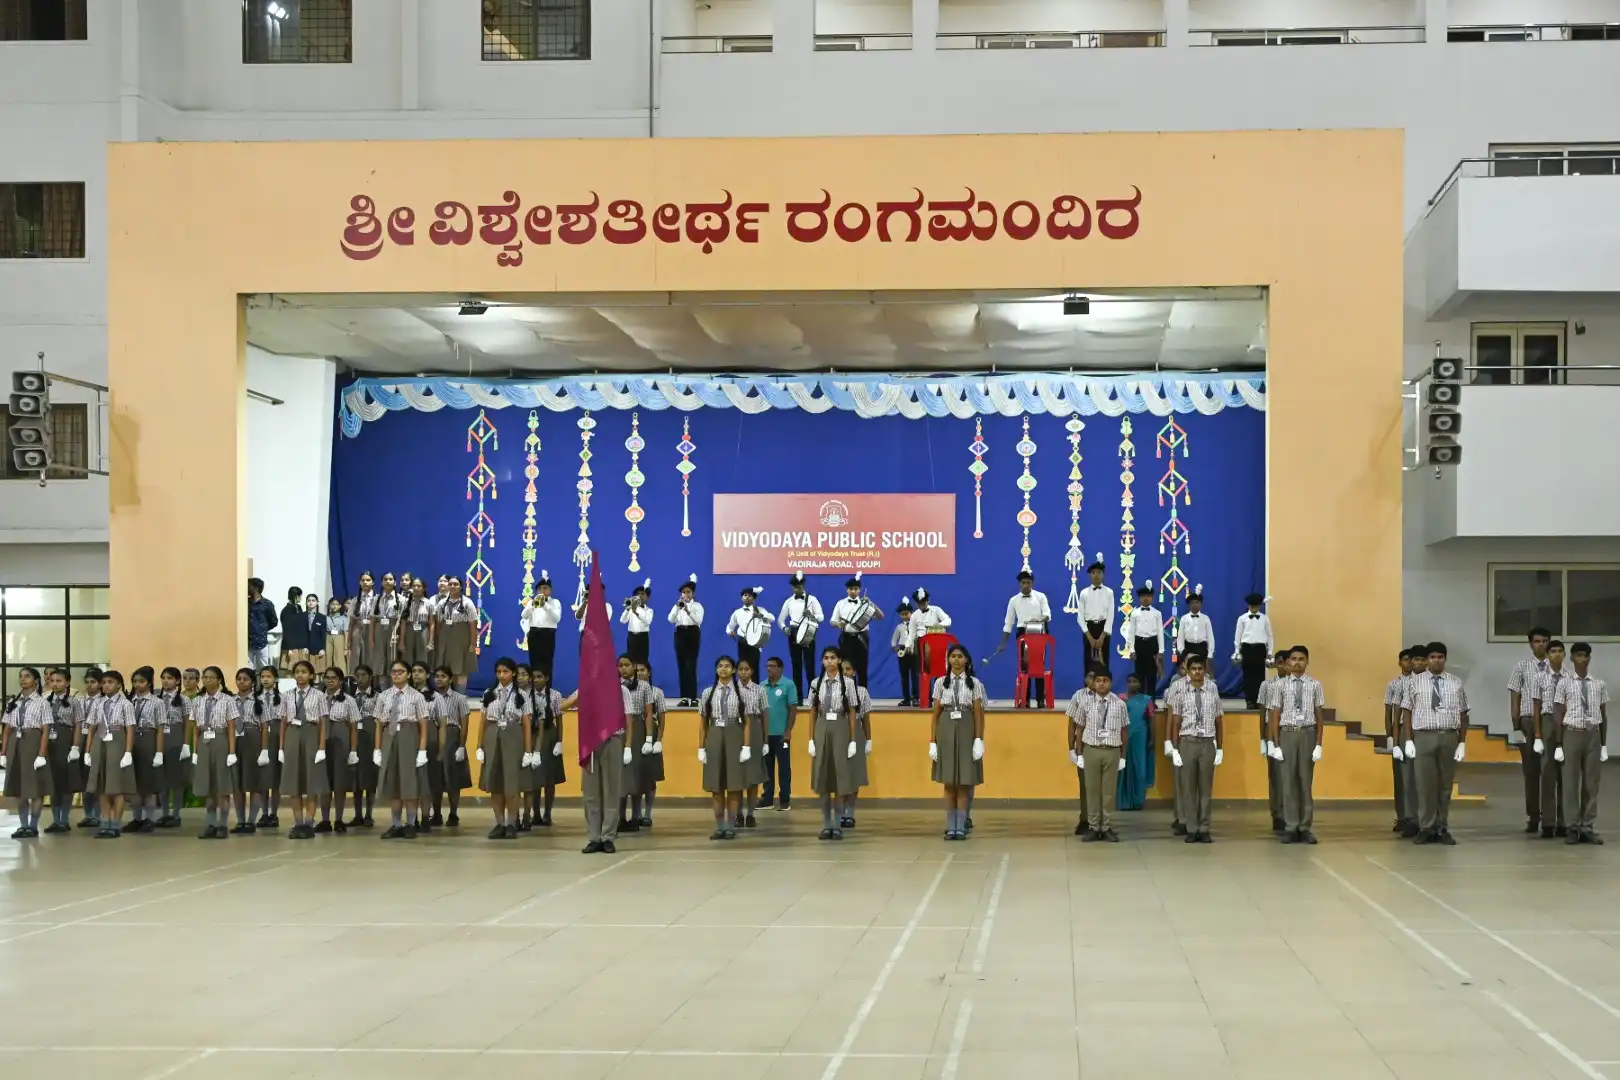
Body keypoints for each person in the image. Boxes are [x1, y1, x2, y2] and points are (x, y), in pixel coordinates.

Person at [1399, 641, 1468, 846]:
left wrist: (1462, 742)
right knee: (1425, 785)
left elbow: (1464, 714)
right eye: (1432, 657)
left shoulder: (1456, 683)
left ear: (1445, 659)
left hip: (1448, 736)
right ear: (1427, 660)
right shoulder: (1414, 682)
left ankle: (1441, 827)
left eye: (1440, 657)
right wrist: (1409, 740)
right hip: (1424, 736)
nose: (1436, 661)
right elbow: (1407, 712)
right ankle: (1426, 827)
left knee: (1444, 786)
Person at [1268, 646, 1325, 844]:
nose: (1297, 662)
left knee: (1305, 782)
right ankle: (1291, 826)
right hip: (1288, 734)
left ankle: (1305, 827)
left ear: (1307, 662)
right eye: (1293, 659)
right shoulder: (1280, 685)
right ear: (1288, 662)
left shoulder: (1315, 685)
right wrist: (1275, 744)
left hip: (1307, 733)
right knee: (1288, 782)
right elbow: (1275, 715)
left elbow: (1319, 716)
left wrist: (1319, 743)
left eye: (1301, 659)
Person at [1552, 642, 1608, 845]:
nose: (1582, 659)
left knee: (1591, 783)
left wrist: (1603, 744)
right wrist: (1559, 743)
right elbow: (1558, 714)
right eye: (1578, 656)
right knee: (1570, 782)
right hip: (1571, 733)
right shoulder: (1564, 683)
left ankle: (1587, 826)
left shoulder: (1598, 684)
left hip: (1592, 734)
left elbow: (1603, 714)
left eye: (1585, 656)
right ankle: (1572, 826)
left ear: (1589, 658)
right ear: (1572, 659)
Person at [930, 643, 986, 841]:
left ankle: (961, 825)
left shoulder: (975, 684)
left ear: (966, 660)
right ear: (948, 659)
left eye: (960, 656)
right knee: (949, 782)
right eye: (953, 656)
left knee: (963, 782)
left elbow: (978, 714)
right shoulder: (940, 683)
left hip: (966, 728)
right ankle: (950, 825)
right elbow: (935, 714)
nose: (956, 660)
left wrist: (978, 739)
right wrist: (932, 741)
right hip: (946, 728)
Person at [581, 656, 636, 856]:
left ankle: (607, 836)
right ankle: (593, 837)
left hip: (613, 741)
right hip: (591, 743)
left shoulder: (621, 691)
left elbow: (628, 719)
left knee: (611, 790)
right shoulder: (588, 689)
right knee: (591, 792)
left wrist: (627, 746)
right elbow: (571, 704)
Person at [1167, 654, 1223, 843]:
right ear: (1188, 672)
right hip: (1187, 742)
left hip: (1207, 743)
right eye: (1194, 669)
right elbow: (1175, 722)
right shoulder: (1181, 695)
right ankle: (1191, 828)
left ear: (1205, 671)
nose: (1197, 672)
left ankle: (1204, 828)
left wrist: (1220, 748)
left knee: (1205, 789)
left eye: (1200, 669)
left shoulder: (1212, 692)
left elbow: (1219, 722)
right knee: (1188, 788)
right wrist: (1175, 748)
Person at [374, 659, 431, 839]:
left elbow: (423, 724)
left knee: (410, 783)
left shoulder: (416, 696)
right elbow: (379, 724)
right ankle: (396, 824)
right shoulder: (384, 696)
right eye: (394, 672)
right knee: (394, 784)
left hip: (409, 736)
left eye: (401, 672)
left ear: (408, 674)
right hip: (390, 736)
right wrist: (377, 749)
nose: (397, 675)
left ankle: (411, 824)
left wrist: (422, 750)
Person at [807, 647, 859, 841]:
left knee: (839, 776)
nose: (829, 661)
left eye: (832, 658)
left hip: (840, 725)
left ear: (838, 660)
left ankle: (837, 824)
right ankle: (826, 824)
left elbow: (852, 712)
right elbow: (813, 711)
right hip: (822, 725)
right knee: (823, 776)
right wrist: (811, 739)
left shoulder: (848, 683)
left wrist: (852, 740)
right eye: (826, 658)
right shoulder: (816, 683)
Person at [698, 656, 751, 841]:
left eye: (727, 666)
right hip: (714, 735)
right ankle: (719, 826)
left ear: (733, 670)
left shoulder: (742, 692)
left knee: (734, 784)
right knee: (716, 784)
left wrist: (746, 746)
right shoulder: (708, 693)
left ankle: (730, 826)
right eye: (720, 666)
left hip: (734, 733)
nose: (723, 669)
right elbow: (703, 723)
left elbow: (747, 722)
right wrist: (701, 747)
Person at [1074, 666, 1128, 843]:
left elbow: (1124, 731)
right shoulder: (1085, 702)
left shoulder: (1119, 704)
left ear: (1111, 683)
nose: (1101, 684)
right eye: (1098, 681)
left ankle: (1106, 827)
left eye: (1105, 681)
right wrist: (1079, 754)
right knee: (1092, 790)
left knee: (1108, 792)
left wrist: (1123, 756)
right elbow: (1079, 728)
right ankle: (1093, 826)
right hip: (1092, 749)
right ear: (1093, 683)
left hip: (1112, 750)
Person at [1507, 627, 1553, 834]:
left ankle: (1551, 818)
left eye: (1544, 641)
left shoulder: (1557, 667)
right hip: (1528, 721)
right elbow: (1515, 697)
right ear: (1531, 644)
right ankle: (1534, 817)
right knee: (1531, 771)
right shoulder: (1522, 667)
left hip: (1550, 721)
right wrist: (1516, 726)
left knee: (1550, 771)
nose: (1541, 645)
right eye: (1537, 641)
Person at [278, 660, 329, 840]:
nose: (300, 675)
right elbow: (283, 722)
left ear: (311, 675)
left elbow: (323, 722)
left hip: (311, 732)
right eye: (297, 672)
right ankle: (298, 823)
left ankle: (309, 822)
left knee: (312, 781)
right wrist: (281, 747)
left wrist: (321, 747)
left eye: (304, 672)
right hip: (293, 733)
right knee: (294, 782)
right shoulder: (287, 695)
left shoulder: (319, 695)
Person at [84, 669, 137, 838]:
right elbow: (92, 728)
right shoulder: (97, 703)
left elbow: (130, 729)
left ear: (119, 684)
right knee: (102, 786)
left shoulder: (126, 704)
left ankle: (115, 825)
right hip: (100, 740)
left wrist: (128, 752)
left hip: (117, 739)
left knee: (116, 786)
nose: (106, 685)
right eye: (104, 682)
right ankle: (105, 823)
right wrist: (87, 751)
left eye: (110, 682)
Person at [991, 569, 1052, 708]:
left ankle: (1040, 699)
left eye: (1028, 582)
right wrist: (1003, 643)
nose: (1025, 585)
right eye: (1023, 582)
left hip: (1039, 631)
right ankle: (1025, 699)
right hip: (1023, 632)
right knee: (1024, 666)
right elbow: (1008, 623)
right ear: (1019, 584)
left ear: (1032, 583)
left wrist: (1038, 619)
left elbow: (1047, 614)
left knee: (1039, 666)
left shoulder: (1041, 596)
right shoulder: (1013, 600)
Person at [190, 666, 238, 839]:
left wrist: (232, 751)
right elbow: (195, 728)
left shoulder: (227, 700)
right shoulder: (198, 700)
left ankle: (222, 825)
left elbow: (231, 727)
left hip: (220, 739)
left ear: (219, 680)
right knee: (207, 786)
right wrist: (195, 750)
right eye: (205, 677)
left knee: (222, 786)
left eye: (211, 677)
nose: (207, 680)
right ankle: (211, 824)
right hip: (204, 741)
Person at [3, 666, 50, 839]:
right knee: (18, 785)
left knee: (35, 786)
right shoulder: (13, 702)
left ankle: (33, 825)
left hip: (33, 741)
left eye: (27, 676)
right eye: (21, 676)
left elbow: (46, 730)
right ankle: (23, 825)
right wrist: (3, 752)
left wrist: (41, 754)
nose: (23, 679)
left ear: (36, 680)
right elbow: (7, 729)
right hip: (15, 742)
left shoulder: (42, 702)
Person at [1531, 639, 1569, 838]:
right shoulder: (1539, 678)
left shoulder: (1570, 677)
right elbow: (1536, 707)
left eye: (1560, 651)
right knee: (1548, 773)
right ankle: (1547, 822)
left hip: (1567, 722)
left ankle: (1564, 821)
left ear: (1564, 654)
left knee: (1566, 774)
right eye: (1553, 651)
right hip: (1547, 721)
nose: (1556, 654)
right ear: (1547, 655)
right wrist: (1538, 734)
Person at [618, 654, 656, 832]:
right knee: (620, 775)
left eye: (626, 665)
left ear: (633, 667)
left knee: (636, 774)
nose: (623, 668)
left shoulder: (643, 686)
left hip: (638, 727)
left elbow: (648, 714)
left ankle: (636, 816)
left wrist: (649, 738)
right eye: (620, 665)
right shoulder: (613, 685)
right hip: (618, 729)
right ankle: (619, 817)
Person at [319, 666, 360, 834]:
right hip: (321, 738)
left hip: (341, 738)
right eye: (327, 677)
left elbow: (354, 727)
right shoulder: (318, 698)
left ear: (341, 681)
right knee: (323, 782)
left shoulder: (348, 700)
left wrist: (353, 750)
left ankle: (338, 819)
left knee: (339, 783)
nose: (329, 681)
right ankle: (325, 819)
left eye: (333, 678)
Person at [530, 666, 570, 829]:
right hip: (533, 735)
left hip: (550, 735)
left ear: (546, 678)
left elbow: (559, 720)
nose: (536, 680)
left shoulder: (555, 695)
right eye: (533, 677)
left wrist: (559, 741)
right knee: (534, 777)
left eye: (539, 676)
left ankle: (547, 813)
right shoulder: (527, 695)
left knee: (549, 778)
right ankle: (535, 814)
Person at [125, 666, 165, 832]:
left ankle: (149, 818)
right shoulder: (129, 701)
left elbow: (160, 728)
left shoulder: (157, 702)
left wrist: (159, 752)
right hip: (131, 740)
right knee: (134, 783)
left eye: (141, 681)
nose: (137, 684)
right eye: (135, 681)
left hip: (148, 738)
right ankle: (136, 818)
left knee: (148, 783)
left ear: (149, 683)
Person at [1385, 650, 1419, 838]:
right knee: (1401, 778)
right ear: (1400, 662)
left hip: (1417, 728)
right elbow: (1390, 712)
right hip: (1399, 729)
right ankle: (1402, 816)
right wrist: (1390, 737)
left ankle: (1416, 817)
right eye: (1405, 660)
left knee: (1414, 777)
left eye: (1411, 659)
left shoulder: (1419, 682)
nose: (1408, 663)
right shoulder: (1395, 684)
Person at [829, 573, 883, 689]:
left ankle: (863, 696)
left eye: (855, 589)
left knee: (862, 668)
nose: (853, 591)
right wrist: (838, 624)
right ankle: (847, 695)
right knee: (846, 667)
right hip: (846, 638)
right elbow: (832, 621)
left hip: (861, 638)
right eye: (851, 589)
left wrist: (871, 604)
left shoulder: (866, 604)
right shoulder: (840, 603)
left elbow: (880, 617)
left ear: (860, 590)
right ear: (847, 590)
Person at [777, 572, 824, 698]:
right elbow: (780, 620)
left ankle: (813, 697)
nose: (797, 589)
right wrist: (784, 628)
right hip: (793, 632)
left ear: (803, 585)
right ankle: (797, 698)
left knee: (810, 666)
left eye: (799, 586)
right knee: (796, 665)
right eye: (795, 587)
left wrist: (812, 615)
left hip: (808, 632)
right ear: (792, 587)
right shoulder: (789, 602)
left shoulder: (812, 600)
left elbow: (821, 617)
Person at [231, 668, 267, 833]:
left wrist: (264, 750)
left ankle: (251, 821)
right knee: (236, 783)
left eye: (245, 679)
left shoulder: (260, 701)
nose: (241, 682)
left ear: (252, 682)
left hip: (253, 738)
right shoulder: (230, 700)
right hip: (234, 739)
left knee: (254, 782)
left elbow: (264, 727)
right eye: (239, 679)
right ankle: (240, 821)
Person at [760, 656, 798, 811]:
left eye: (772, 666)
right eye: (767, 666)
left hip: (782, 735)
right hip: (765, 735)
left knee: (784, 768)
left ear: (780, 668)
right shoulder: (762, 686)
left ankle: (785, 800)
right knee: (766, 768)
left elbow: (793, 710)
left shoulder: (788, 685)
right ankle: (767, 799)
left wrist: (788, 731)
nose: (769, 668)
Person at [42, 668, 77, 833]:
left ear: (67, 683)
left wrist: (75, 746)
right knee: (52, 782)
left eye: (59, 681)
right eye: (52, 681)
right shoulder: (44, 700)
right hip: (48, 740)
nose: (55, 684)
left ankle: (64, 819)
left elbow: (78, 725)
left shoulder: (75, 701)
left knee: (65, 782)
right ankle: (55, 820)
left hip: (65, 739)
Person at [1117, 671, 1156, 812]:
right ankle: (1123, 802)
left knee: (1139, 768)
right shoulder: (1120, 699)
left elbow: (1152, 721)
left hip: (1140, 737)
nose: (1132, 684)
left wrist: (1152, 739)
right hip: (1123, 737)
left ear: (1140, 684)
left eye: (1135, 681)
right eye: (1129, 681)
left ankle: (1138, 801)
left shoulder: (1146, 700)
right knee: (1124, 768)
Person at [433, 577, 480, 692]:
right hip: (445, 640)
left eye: (456, 584)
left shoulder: (468, 603)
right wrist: (438, 641)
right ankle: (445, 697)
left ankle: (460, 696)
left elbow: (473, 625)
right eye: (450, 584)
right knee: (445, 669)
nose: (453, 586)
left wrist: (472, 644)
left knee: (461, 670)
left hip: (461, 640)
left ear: (461, 587)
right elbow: (438, 624)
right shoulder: (442, 603)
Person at [736, 658, 767, 828]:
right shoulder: (731, 689)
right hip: (736, 728)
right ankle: (738, 813)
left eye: (746, 669)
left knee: (753, 774)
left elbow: (764, 715)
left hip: (754, 728)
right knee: (737, 773)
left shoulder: (759, 690)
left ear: (752, 671)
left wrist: (765, 740)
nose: (743, 672)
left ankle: (750, 814)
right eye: (740, 669)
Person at [634, 661, 666, 828]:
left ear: (649, 672)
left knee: (650, 776)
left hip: (651, 734)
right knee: (636, 776)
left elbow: (661, 718)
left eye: (642, 670)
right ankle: (636, 813)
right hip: (634, 733)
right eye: (636, 670)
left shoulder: (657, 692)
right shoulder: (628, 690)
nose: (639, 673)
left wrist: (658, 740)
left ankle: (647, 813)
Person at [1259, 653, 1288, 833]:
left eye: (1286, 662)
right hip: (1272, 733)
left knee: (1290, 777)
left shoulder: (1295, 685)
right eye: (1280, 663)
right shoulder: (1268, 685)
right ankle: (1277, 814)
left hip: (1289, 731)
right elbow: (1264, 713)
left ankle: (1290, 813)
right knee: (1276, 777)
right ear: (1276, 664)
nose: (1283, 666)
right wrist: (1263, 739)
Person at [71, 668, 104, 829]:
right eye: (87, 682)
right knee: (83, 779)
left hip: (97, 739)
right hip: (80, 739)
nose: (89, 685)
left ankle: (97, 815)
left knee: (95, 779)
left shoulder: (103, 701)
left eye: (93, 682)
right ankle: (88, 814)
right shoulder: (78, 700)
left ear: (100, 684)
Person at [841, 658, 872, 829]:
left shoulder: (862, 692)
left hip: (857, 734)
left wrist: (868, 739)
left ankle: (850, 813)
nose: (845, 672)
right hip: (838, 731)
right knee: (840, 774)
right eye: (842, 669)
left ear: (854, 672)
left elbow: (866, 718)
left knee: (854, 774)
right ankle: (840, 811)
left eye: (848, 669)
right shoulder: (834, 690)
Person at [349, 664, 379, 828]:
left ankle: (369, 814)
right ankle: (357, 815)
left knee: (370, 778)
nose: (360, 679)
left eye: (363, 675)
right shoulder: (349, 696)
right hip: (354, 736)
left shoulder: (377, 697)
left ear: (370, 677)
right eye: (357, 675)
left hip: (371, 735)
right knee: (356, 778)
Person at [1232, 592, 1273, 709]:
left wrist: (1270, 652)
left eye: (1256, 606)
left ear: (1259, 606)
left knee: (1259, 676)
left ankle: (1259, 700)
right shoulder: (1242, 618)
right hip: (1247, 648)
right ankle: (1249, 700)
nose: (1254, 608)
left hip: (1260, 649)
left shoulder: (1264, 618)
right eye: (1252, 606)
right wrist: (1237, 651)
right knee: (1248, 676)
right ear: (1248, 605)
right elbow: (1238, 636)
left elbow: (1270, 636)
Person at [668, 574, 703, 705]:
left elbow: (698, 621)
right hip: (680, 634)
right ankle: (684, 697)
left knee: (691, 666)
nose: (685, 594)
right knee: (681, 665)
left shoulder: (697, 606)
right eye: (683, 592)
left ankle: (693, 697)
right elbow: (670, 619)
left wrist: (688, 611)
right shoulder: (677, 605)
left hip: (692, 633)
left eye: (688, 592)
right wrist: (678, 608)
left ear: (693, 593)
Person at [1078, 556, 1115, 677]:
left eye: (1099, 572)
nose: (1096, 575)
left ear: (1103, 575)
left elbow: (1110, 615)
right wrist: (1089, 636)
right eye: (1093, 573)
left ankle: (1104, 686)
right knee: (1088, 661)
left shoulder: (1109, 592)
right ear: (1090, 575)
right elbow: (1080, 617)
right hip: (1089, 629)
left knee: (1104, 660)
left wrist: (1103, 636)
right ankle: (1088, 687)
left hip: (1103, 628)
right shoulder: (1084, 593)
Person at [1123, 585, 1163, 696]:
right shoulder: (1134, 613)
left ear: (1152, 598)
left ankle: (1151, 701)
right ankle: (1139, 701)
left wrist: (1161, 651)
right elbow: (1131, 632)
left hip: (1152, 644)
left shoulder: (1157, 614)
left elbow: (1160, 632)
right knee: (1139, 675)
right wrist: (1131, 650)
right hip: (1139, 644)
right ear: (1139, 598)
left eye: (1148, 596)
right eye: (1143, 596)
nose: (1146, 598)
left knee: (1151, 675)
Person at [725, 585, 773, 676]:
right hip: (742, 642)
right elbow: (729, 626)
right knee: (743, 667)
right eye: (745, 595)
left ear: (753, 599)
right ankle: (743, 685)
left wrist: (761, 615)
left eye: (749, 596)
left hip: (754, 643)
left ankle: (755, 685)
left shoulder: (759, 610)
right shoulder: (737, 612)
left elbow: (772, 618)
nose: (747, 597)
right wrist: (729, 631)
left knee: (754, 668)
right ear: (741, 597)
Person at [522, 570, 562, 679]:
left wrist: (545, 605)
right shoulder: (532, 602)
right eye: (540, 589)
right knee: (534, 662)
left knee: (547, 663)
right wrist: (532, 606)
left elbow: (556, 618)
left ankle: (547, 687)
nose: (542, 591)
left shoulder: (555, 602)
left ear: (550, 590)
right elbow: (524, 615)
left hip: (547, 635)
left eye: (545, 588)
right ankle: (534, 687)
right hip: (534, 634)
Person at [911, 589, 953, 690]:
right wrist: (910, 645)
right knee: (924, 671)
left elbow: (948, 620)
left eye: (923, 602)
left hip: (936, 642)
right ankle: (927, 696)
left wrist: (939, 625)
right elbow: (912, 632)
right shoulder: (914, 615)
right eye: (919, 603)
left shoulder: (936, 610)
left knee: (939, 670)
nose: (921, 605)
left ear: (928, 601)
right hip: (921, 643)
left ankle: (939, 693)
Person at [1175, 586, 1213, 676]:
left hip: (1202, 650)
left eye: (1197, 602)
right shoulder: (1184, 618)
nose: (1195, 605)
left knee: (1202, 675)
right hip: (1188, 649)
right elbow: (1180, 638)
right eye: (1192, 603)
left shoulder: (1206, 619)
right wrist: (1184, 653)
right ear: (1189, 605)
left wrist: (1209, 655)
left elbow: (1210, 638)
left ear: (1201, 604)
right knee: (1187, 674)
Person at [891, 597, 918, 706]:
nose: (904, 616)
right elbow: (894, 640)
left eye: (906, 613)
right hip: (902, 651)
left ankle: (916, 697)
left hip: (914, 651)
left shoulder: (916, 626)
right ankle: (906, 698)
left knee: (915, 675)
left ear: (912, 613)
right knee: (904, 676)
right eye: (902, 614)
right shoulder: (899, 627)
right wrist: (895, 648)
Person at [398, 580, 432, 666]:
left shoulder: (428, 603)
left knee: (422, 657)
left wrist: (431, 641)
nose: (416, 588)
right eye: (414, 586)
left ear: (423, 588)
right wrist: (401, 641)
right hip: (409, 630)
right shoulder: (405, 602)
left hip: (423, 630)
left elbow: (432, 623)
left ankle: (421, 674)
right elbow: (403, 623)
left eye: (419, 586)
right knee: (407, 656)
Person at [620, 579, 654, 666]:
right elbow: (622, 621)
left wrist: (636, 612)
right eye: (637, 594)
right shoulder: (630, 609)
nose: (639, 596)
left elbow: (647, 622)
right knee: (631, 662)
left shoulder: (649, 610)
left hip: (643, 638)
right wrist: (628, 609)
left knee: (642, 662)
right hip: (631, 637)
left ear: (647, 597)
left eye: (642, 594)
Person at [248, 578, 279, 670]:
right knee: (248, 669)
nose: (247, 588)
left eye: (249, 586)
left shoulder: (267, 604)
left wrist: (262, 628)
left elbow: (274, 621)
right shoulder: (245, 602)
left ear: (256, 588)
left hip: (261, 642)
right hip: (247, 642)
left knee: (264, 668)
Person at [279, 586, 308, 673]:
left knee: (301, 669)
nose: (301, 598)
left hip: (300, 644)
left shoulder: (298, 607)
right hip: (291, 645)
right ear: (296, 596)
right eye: (300, 596)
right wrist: (290, 648)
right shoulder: (287, 610)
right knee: (291, 669)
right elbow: (287, 630)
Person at [326, 598, 350, 674]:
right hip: (328, 637)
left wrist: (346, 648)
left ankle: (342, 676)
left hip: (339, 637)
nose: (334, 606)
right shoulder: (326, 618)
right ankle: (328, 675)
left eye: (337, 604)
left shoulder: (344, 618)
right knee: (328, 658)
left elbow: (346, 633)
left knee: (339, 659)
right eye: (333, 604)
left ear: (340, 606)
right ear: (329, 605)